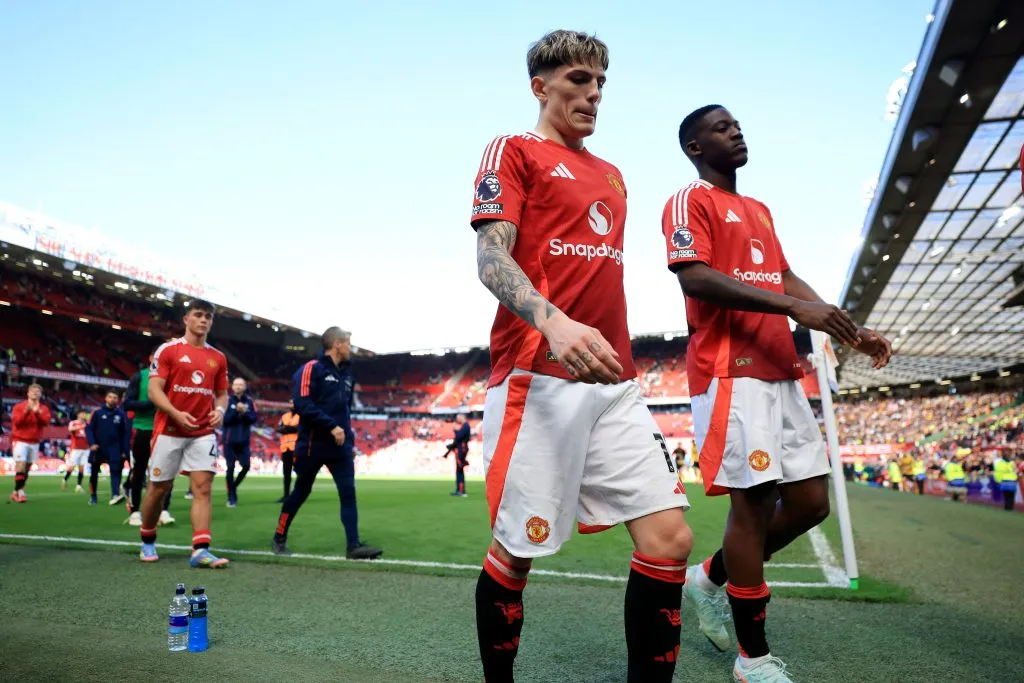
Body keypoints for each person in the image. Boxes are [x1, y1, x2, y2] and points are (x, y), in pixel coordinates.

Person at [469, 31, 692, 683]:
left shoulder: (613, 174)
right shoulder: (513, 150)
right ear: (540, 87)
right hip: (538, 377)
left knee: (670, 540)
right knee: (517, 550)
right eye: (577, 79)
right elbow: (490, 257)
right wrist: (553, 321)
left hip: (615, 380)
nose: (593, 93)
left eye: (600, 82)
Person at [662, 105, 893, 682]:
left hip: (779, 370)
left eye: (738, 124)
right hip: (730, 374)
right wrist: (793, 307)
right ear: (694, 147)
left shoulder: (759, 210)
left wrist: (851, 329)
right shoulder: (689, 200)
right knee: (754, 506)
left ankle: (709, 578)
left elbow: (784, 278)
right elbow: (693, 275)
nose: (736, 131)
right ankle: (753, 660)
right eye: (722, 127)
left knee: (811, 503)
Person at [272, 327, 382, 560]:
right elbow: (302, 403)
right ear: (337, 344)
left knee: (348, 493)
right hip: (313, 445)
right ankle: (279, 536)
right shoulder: (311, 369)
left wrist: (349, 440)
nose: (351, 348)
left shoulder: (348, 375)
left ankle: (353, 546)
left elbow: (345, 412)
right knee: (301, 492)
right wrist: (331, 426)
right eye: (348, 343)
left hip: (340, 447)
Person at [137, 299, 230, 568]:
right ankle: (147, 538)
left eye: (208, 316)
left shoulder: (218, 358)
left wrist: (220, 411)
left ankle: (200, 550)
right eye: (198, 315)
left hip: (203, 431)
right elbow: (154, 390)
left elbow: (222, 394)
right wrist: (176, 413)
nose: (203, 320)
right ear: (186, 319)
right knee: (159, 489)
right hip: (169, 430)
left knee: (203, 487)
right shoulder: (169, 350)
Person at [123, 359, 175, 526]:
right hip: (144, 428)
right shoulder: (140, 376)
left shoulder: (174, 377)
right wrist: (152, 403)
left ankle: (163, 510)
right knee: (138, 471)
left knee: (167, 472)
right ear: (152, 358)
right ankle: (134, 512)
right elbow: (127, 403)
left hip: (166, 429)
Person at [86, 389, 131, 506]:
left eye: (115, 397)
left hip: (115, 448)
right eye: (110, 397)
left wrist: (124, 450)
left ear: (118, 400)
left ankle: (115, 495)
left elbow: (125, 434)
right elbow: (89, 429)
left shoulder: (121, 415)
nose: (112, 399)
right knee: (94, 473)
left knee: (116, 472)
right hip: (98, 448)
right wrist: (92, 443)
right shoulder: (97, 413)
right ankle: (93, 496)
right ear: (106, 398)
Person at [8, 384, 52, 503]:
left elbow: (46, 422)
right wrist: (26, 411)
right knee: (20, 466)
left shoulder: (44, 409)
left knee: (26, 469)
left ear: (40, 395)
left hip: (34, 441)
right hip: (20, 440)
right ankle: (21, 493)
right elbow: (17, 422)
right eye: (33, 391)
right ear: (28, 393)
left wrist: (37, 413)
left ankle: (15, 492)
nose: (35, 393)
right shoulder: (19, 407)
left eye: (38, 391)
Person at [222, 377, 257, 507]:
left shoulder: (249, 401)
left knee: (246, 466)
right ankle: (231, 497)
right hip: (229, 440)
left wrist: (244, 412)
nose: (238, 387)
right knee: (230, 468)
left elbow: (253, 418)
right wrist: (235, 411)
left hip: (244, 440)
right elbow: (225, 420)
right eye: (236, 384)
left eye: (240, 385)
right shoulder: (227, 400)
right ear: (232, 387)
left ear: (245, 387)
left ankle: (233, 487)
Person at [276, 401, 300, 503]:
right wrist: (291, 429)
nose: (291, 405)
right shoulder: (284, 416)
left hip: (297, 448)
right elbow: (279, 429)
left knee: (300, 472)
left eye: (293, 403)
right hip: (285, 448)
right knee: (286, 473)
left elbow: (299, 429)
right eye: (290, 403)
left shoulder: (302, 416)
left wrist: (286, 428)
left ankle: (298, 494)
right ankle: (286, 495)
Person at [443, 414, 471, 496]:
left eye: (458, 418)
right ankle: (460, 489)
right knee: (459, 470)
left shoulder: (465, 426)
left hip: (461, 449)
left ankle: (461, 490)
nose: (457, 420)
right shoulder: (465, 426)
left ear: (462, 418)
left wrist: (455, 430)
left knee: (459, 470)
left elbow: (459, 437)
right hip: (461, 449)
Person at [63, 410, 90, 493]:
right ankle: (65, 479)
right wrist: (80, 426)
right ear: (78, 415)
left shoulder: (87, 424)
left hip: (85, 448)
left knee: (82, 468)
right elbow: (70, 429)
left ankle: (78, 485)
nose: (84, 415)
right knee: (71, 467)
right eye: (82, 413)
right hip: (75, 448)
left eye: (84, 413)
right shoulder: (73, 423)